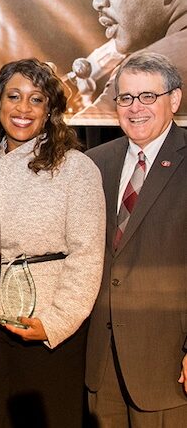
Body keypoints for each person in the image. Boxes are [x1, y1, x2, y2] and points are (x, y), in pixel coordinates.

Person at [0, 59, 105, 427]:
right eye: (13, 96)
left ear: (50, 111)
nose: (23, 109)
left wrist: (56, 322)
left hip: (47, 334)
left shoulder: (76, 168)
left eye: (36, 99)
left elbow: (88, 254)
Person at [85, 51, 187, 425]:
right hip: (102, 362)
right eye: (126, 98)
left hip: (168, 365)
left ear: (174, 100)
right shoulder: (94, 163)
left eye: (148, 96)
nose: (135, 108)